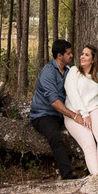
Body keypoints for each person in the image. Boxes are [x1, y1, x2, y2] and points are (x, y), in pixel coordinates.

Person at [63, 45, 98, 194]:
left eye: (86, 55)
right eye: (82, 54)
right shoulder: (74, 71)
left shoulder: (97, 78)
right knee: (90, 144)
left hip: (94, 110)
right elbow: (71, 92)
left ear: (93, 59)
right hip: (75, 114)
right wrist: (84, 114)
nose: (82, 57)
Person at [29, 39, 78, 179]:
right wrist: (74, 115)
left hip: (60, 114)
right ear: (59, 55)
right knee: (55, 136)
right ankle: (68, 176)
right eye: (68, 53)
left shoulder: (68, 71)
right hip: (43, 115)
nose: (71, 56)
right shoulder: (48, 72)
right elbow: (55, 102)